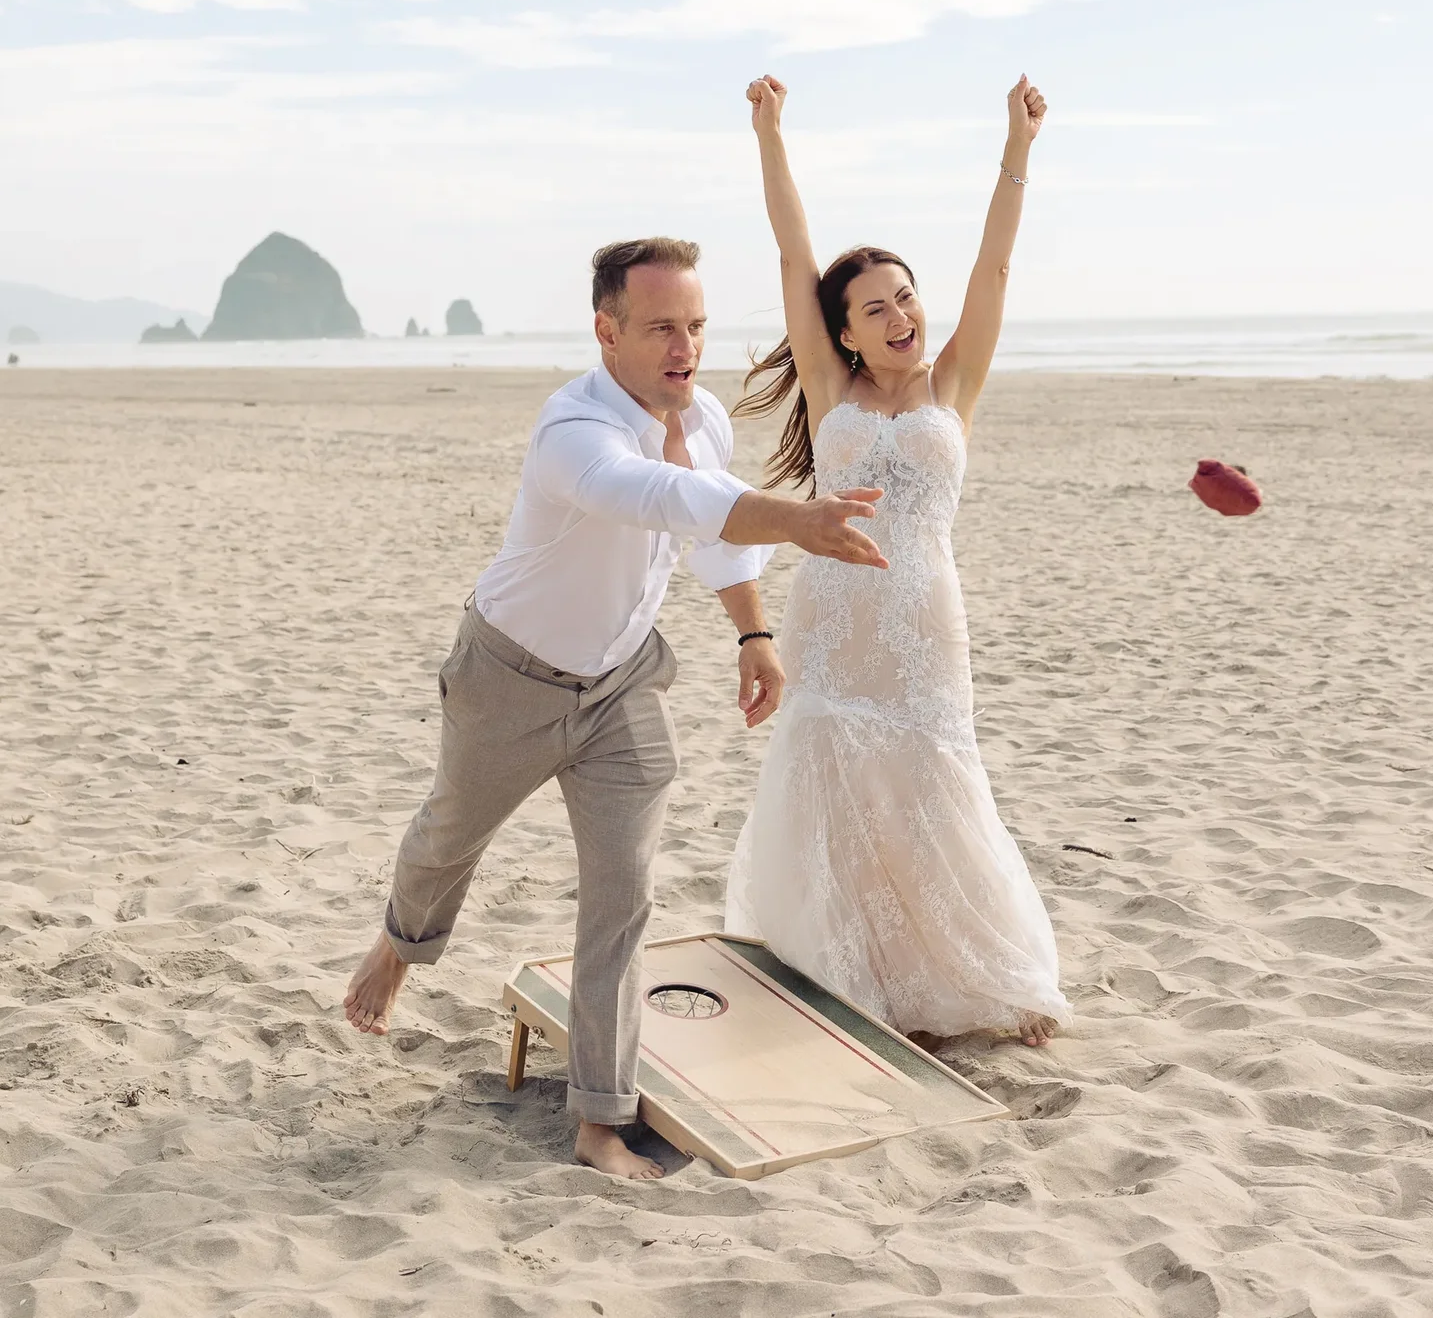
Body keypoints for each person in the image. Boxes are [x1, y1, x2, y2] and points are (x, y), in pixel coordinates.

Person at [341, 236, 888, 1178]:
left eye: (699, 326)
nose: (687, 347)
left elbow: (715, 543)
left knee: (623, 896)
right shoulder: (572, 431)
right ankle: (399, 945)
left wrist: (753, 637)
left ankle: (600, 1117)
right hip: (507, 676)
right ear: (608, 332)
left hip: (623, 682)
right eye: (664, 328)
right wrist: (798, 518)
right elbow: (659, 495)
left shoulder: (704, 416)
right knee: (447, 838)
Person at [725, 73, 1071, 1049]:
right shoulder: (832, 384)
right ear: (840, 331)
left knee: (930, 783)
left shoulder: (952, 381)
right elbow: (795, 252)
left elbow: (993, 272)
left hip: (921, 622)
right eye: (873, 307)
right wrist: (771, 134)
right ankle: (850, 975)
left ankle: (970, 977)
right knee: (834, 778)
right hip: (829, 621)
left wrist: (1018, 148)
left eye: (904, 296)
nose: (897, 314)